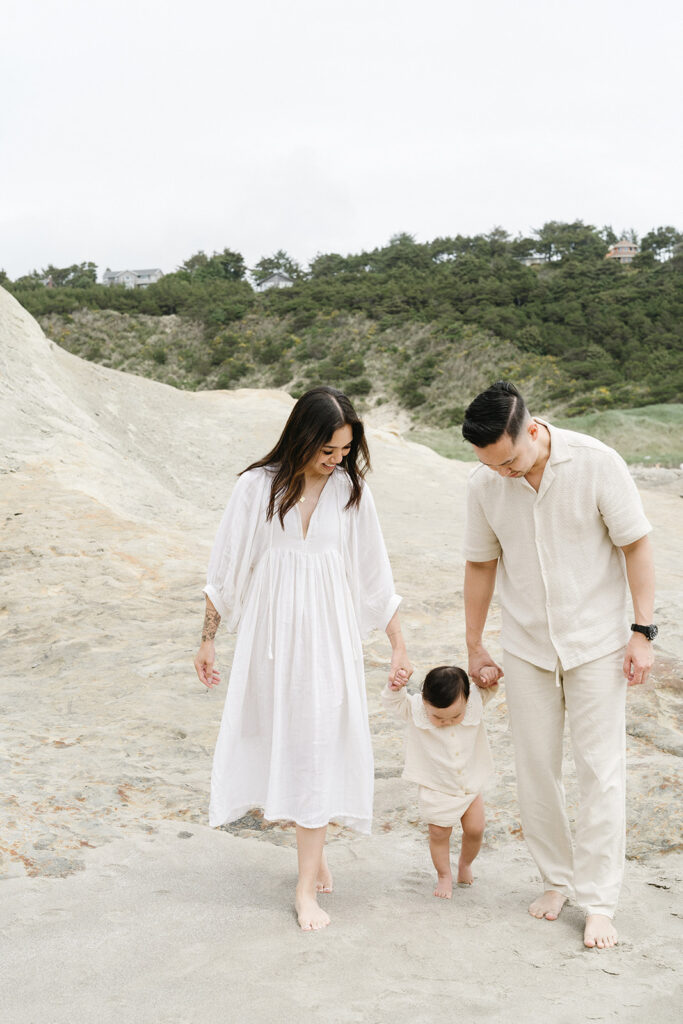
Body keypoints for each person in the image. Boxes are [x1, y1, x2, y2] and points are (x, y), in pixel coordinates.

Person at [193, 386, 411, 931]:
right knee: (285, 742)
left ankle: (304, 885)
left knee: (318, 743)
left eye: (344, 451)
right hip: (272, 638)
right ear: (302, 437)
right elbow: (226, 566)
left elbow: (373, 574)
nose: (336, 461)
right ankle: (313, 856)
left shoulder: (349, 493)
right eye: (327, 450)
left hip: (330, 637)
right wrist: (207, 638)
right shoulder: (256, 488)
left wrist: (398, 645)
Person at [461, 381, 656, 950]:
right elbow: (479, 565)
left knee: (600, 771)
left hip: (596, 642)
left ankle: (598, 901)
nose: (504, 473)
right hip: (526, 647)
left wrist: (642, 632)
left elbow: (636, 545)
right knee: (535, 770)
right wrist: (475, 644)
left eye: (510, 460)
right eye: (491, 464)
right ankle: (556, 879)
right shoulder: (484, 482)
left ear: (531, 429)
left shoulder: (597, 462)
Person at [381, 664, 498, 898]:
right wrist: (396, 685)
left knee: (476, 829)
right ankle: (444, 874)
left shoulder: (473, 701)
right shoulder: (416, 708)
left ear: (467, 700)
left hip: (469, 784)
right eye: (438, 717)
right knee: (438, 834)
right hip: (437, 787)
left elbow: (489, 688)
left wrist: (488, 675)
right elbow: (393, 701)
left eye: (456, 715)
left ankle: (465, 863)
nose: (447, 721)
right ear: (424, 701)